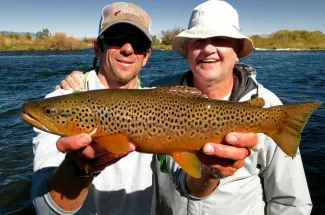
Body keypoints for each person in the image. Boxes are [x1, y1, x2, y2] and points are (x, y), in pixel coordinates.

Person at [59, 1, 313, 214]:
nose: (209, 48)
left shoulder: (269, 108)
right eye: (198, 41)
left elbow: (292, 202)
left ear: (238, 52)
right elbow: (117, 93)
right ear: (188, 50)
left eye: (221, 40)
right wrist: (83, 81)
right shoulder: (154, 93)